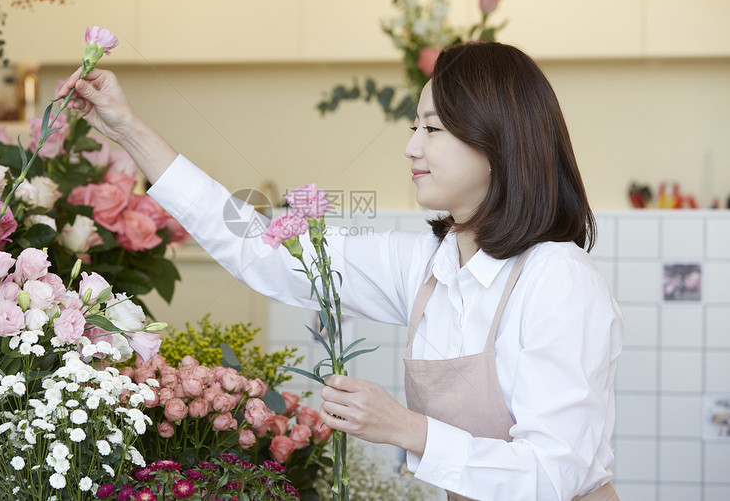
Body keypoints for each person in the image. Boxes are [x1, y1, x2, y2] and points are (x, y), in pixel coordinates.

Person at [57, 42, 623, 501]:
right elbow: (260, 246)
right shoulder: (429, 266)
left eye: (432, 129)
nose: (410, 147)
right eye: (413, 126)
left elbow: (556, 475)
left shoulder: (557, 279)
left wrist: (405, 428)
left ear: (496, 141)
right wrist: (128, 129)